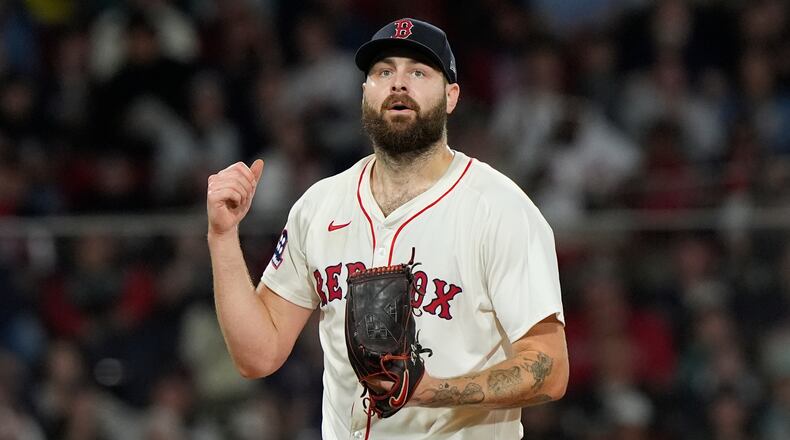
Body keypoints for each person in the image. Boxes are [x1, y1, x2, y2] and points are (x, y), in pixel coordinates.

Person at [206, 18, 568, 439]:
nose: (398, 83)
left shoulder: (499, 209)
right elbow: (257, 354)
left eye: (418, 72)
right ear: (365, 94)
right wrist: (223, 236)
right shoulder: (320, 205)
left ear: (451, 96)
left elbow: (550, 366)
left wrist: (432, 391)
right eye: (383, 72)